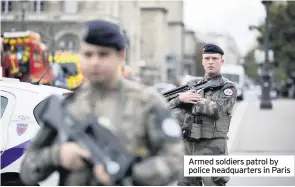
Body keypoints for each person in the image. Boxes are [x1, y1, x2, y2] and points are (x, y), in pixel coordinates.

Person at [19, 19, 184, 186]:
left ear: (121, 55)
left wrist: (130, 173)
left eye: (103, 54)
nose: (94, 62)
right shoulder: (67, 105)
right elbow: (26, 170)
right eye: (88, 54)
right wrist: (57, 155)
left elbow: (175, 160)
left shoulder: (148, 103)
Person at [170, 44, 237, 186]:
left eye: (214, 58)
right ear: (202, 61)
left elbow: (217, 110)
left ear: (222, 61)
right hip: (189, 143)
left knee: (213, 183)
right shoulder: (192, 85)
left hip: (213, 145)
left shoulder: (227, 87)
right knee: (185, 183)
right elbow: (166, 105)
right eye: (207, 58)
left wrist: (193, 100)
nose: (210, 62)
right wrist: (180, 99)